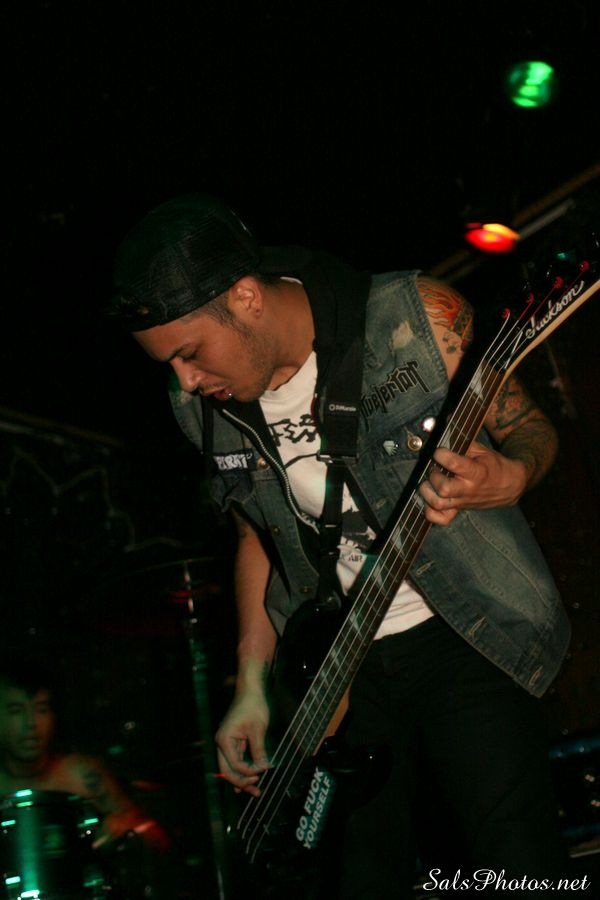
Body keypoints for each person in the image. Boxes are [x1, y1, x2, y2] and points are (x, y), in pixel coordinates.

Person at [108, 193, 575, 898]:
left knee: (515, 866)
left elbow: (532, 432)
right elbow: (255, 533)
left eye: (190, 353)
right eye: (169, 366)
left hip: (463, 630)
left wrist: (509, 478)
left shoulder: (415, 318)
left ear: (245, 298)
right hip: (340, 668)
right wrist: (251, 685)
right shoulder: (198, 409)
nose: (187, 382)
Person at [0, 658, 170, 853]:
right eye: (16, 711)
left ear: (54, 716)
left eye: (41, 709)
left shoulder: (82, 773)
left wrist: (127, 829)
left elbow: (158, 840)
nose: (30, 723)